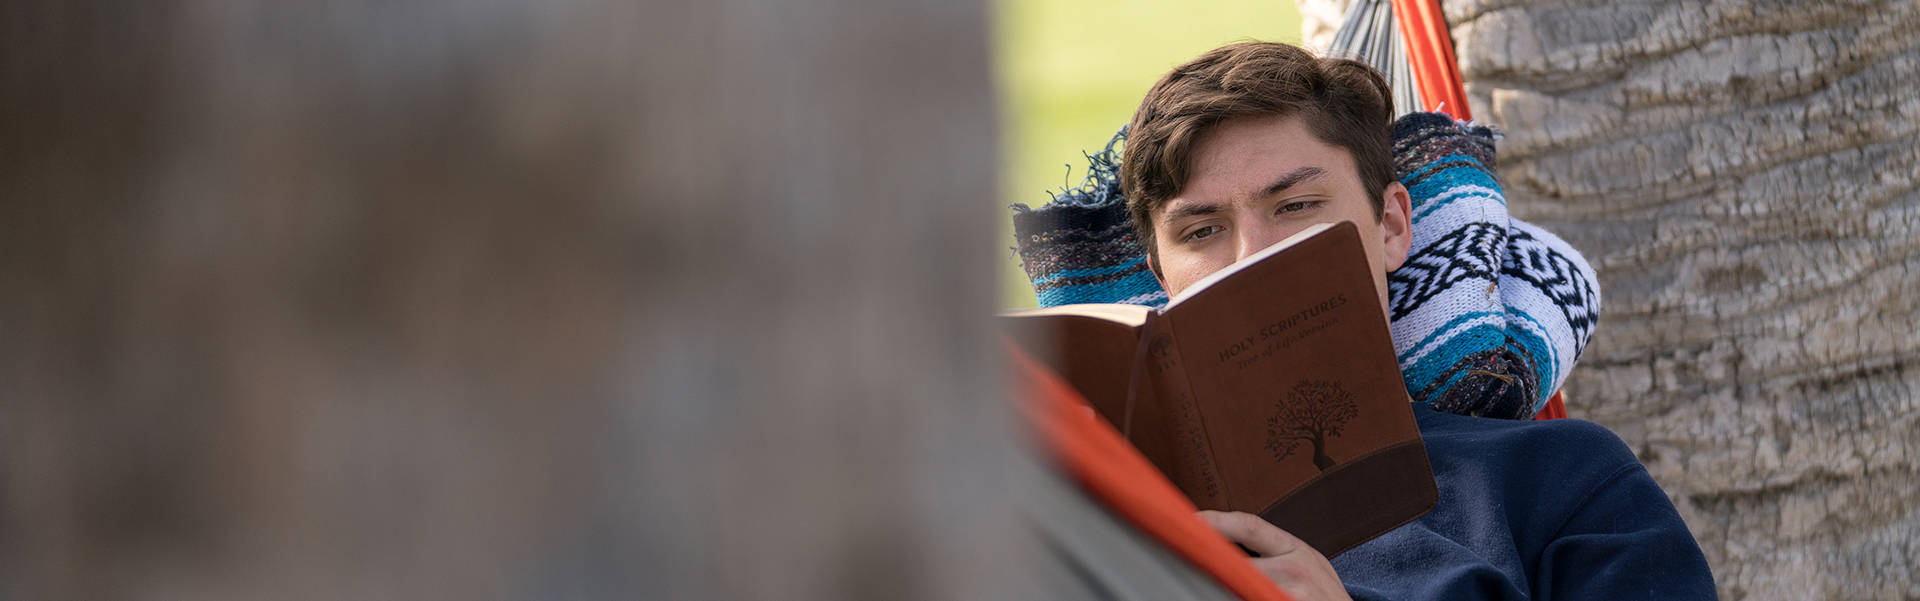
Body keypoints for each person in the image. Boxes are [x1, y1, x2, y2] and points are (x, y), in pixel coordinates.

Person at [1118, 42, 1717, 601]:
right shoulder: (1103, 508)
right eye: (1202, 231)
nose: (1252, 257)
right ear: (1163, 279)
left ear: (1391, 225)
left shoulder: (1559, 479)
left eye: (1296, 206)